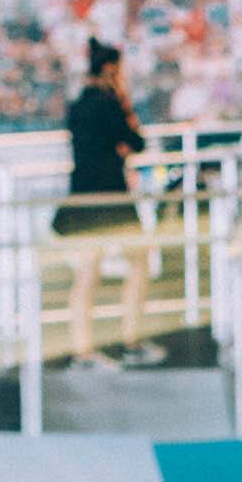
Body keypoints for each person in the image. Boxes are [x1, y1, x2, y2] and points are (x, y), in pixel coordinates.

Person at [53, 38, 165, 370]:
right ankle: (131, 340)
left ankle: (83, 349)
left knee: (88, 274)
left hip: (82, 197)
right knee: (139, 263)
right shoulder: (110, 104)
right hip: (112, 200)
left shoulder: (77, 105)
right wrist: (125, 107)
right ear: (111, 69)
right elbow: (136, 142)